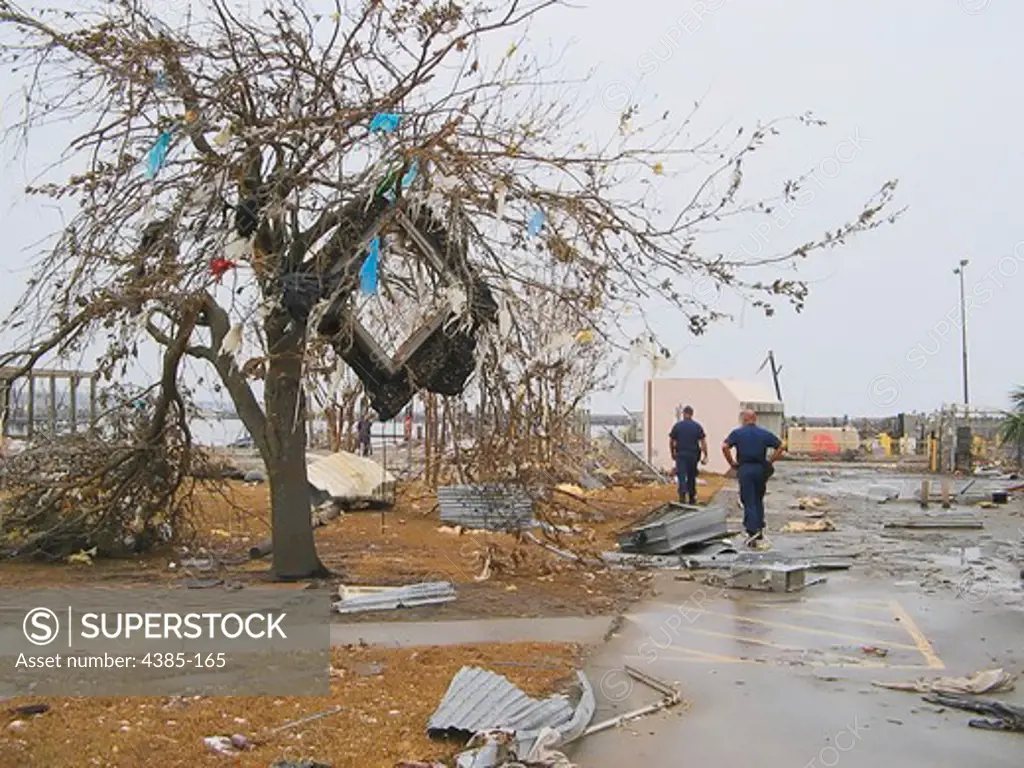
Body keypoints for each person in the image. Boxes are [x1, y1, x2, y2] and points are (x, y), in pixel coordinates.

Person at [722, 409, 785, 550]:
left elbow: (725, 446)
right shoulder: (763, 433)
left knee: (748, 499)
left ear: (744, 419)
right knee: (758, 499)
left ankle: (752, 530)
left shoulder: (737, 433)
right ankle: (759, 528)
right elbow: (781, 446)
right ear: (755, 419)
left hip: (745, 469)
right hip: (760, 469)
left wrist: (731, 463)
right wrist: (770, 461)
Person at [669, 405, 708, 504]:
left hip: (681, 455)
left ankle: (682, 496)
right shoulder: (697, 426)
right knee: (691, 476)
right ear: (692, 414)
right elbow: (703, 442)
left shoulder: (677, 426)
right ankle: (691, 497)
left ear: (684, 414)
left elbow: (671, 441)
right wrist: (705, 455)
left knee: (681, 475)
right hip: (693, 455)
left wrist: (672, 453)